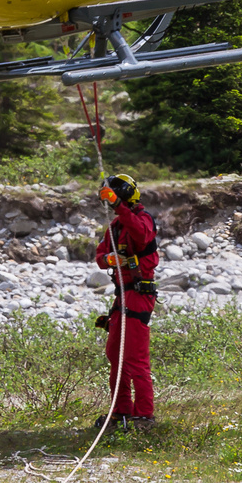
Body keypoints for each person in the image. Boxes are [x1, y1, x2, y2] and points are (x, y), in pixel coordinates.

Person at [93, 174, 158, 430]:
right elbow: (100, 255)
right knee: (115, 354)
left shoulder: (142, 219)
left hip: (140, 294)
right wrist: (110, 260)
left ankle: (144, 415)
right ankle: (121, 411)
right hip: (122, 295)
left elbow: (141, 236)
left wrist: (118, 205)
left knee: (135, 358)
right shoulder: (115, 227)